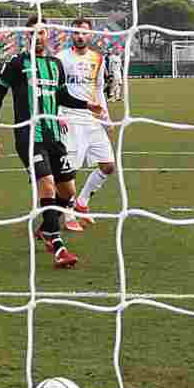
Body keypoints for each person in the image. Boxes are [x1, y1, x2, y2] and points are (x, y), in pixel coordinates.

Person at [0, 16, 104, 268]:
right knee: (47, 186)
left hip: (53, 137)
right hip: (29, 137)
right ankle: (57, 245)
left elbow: (63, 96)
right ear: (27, 36)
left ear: (48, 35)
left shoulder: (54, 64)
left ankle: (47, 226)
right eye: (33, 33)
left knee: (68, 192)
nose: (38, 37)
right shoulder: (17, 63)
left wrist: (87, 104)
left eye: (42, 33)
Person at [57, 17, 115, 231]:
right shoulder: (60, 58)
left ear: (90, 35)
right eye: (76, 33)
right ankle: (68, 214)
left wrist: (105, 117)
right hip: (70, 118)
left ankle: (82, 203)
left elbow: (99, 89)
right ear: (71, 35)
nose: (80, 36)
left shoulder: (98, 59)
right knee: (70, 171)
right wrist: (57, 115)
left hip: (92, 119)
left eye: (84, 33)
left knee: (108, 166)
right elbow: (56, 91)